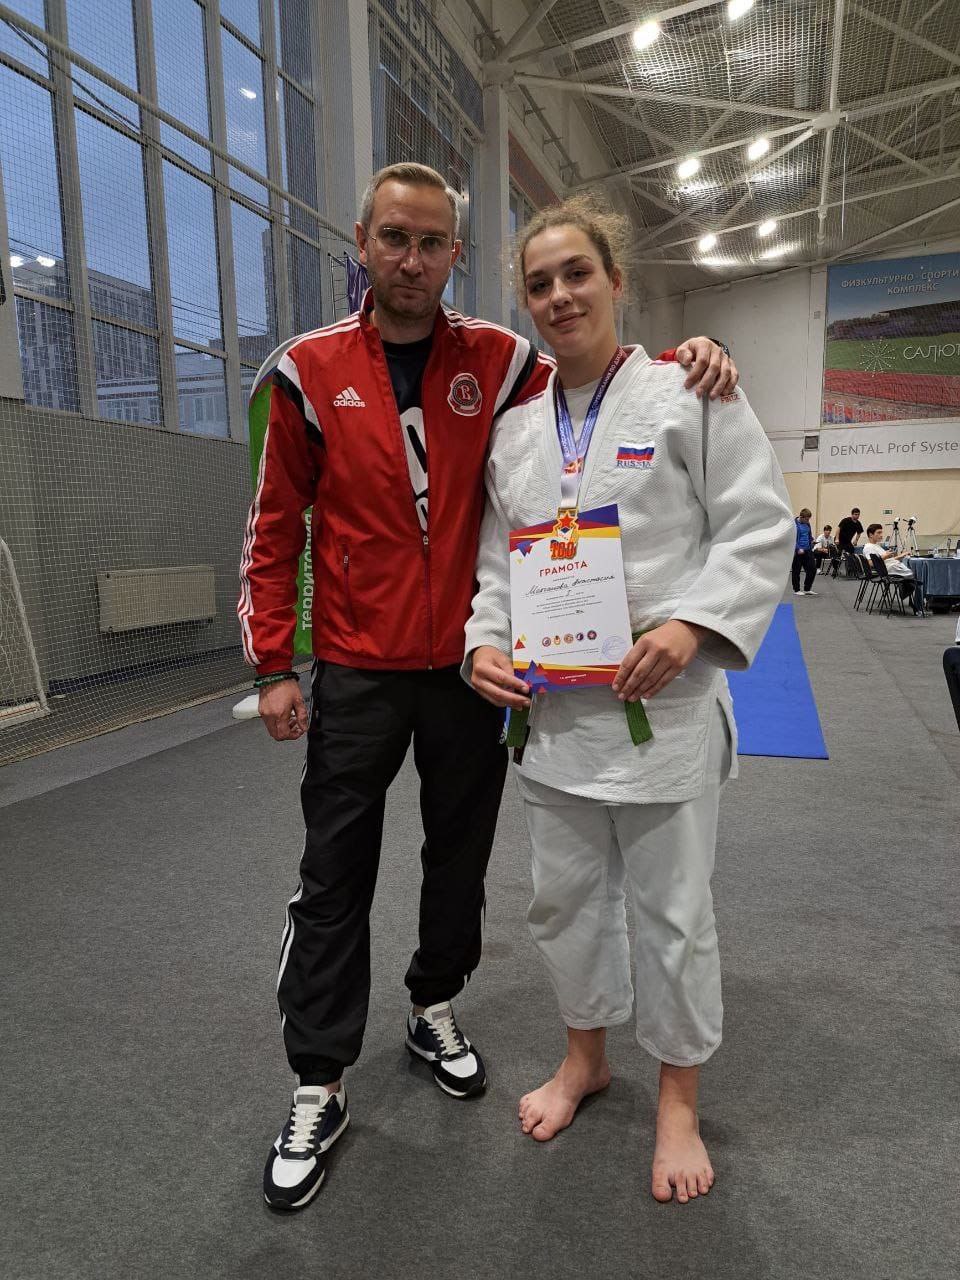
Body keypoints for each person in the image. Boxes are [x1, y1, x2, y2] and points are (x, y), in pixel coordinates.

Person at [237, 161, 739, 1212]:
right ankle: (318, 1077)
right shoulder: (306, 371)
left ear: (455, 256)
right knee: (334, 873)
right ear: (362, 244)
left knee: (458, 860)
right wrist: (273, 663)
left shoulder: (502, 362)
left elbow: (597, 386)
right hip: (361, 664)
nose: (411, 259)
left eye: (432, 243)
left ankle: (434, 1003)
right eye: (394, 238)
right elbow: (274, 523)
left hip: (474, 673)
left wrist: (697, 354)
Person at [464, 195, 793, 1205]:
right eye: (539, 283)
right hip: (555, 721)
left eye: (577, 273)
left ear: (614, 279)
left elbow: (757, 526)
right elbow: (496, 566)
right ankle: (586, 1059)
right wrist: (483, 642)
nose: (560, 295)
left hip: (665, 710)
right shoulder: (515, 434)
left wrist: (693, 624)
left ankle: (679, 1098)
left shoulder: (690, 391)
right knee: (562, 903)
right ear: (526, 301)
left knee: (673, 914)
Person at [861, 523, 921, 613]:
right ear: (870, 534)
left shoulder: (875, 546)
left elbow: (886, 560)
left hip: (889, 567)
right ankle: (917, 603)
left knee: (913, 574)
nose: (881, 535)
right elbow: (871, 563)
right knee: (917, 575)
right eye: (878, 533)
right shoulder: (869, 548)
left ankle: (912, 598)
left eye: (881, 532)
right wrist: (886, 556)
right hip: (887, 570)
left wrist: (901, 556)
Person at [792, 507, 817, 595]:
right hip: (798, 551)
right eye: (806, 519)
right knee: (796, 571)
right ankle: (797, 590)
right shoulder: (794, 524)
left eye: (809, 519)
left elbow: (809, 535)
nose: (808, 521)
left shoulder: (807, 524)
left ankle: (807, 589)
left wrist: (812, 540)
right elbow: (792, 539)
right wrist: (798, 548)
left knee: (812, 569)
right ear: (801, 517)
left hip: (807, 550)